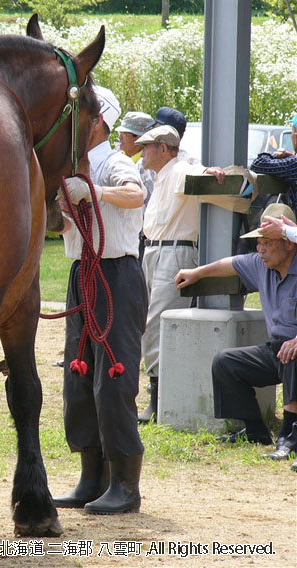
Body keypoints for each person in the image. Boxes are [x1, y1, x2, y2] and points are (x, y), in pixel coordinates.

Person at [53, 85, 148, 514]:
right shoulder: (74, 165)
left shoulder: (114, 163)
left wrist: (93, 192)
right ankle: (92, 478)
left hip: (115, 275)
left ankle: (126, 486)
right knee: (78, 380)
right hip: (83, 274)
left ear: (98, 122)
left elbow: (135, 195)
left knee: (113, 379)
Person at [174, 202, 297, 463]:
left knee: (291, 353)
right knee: (225, 362)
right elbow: (229, 264)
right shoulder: (261, 264)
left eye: (268, 241)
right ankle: (255, 430)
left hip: (294, 351)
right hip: (275, 350)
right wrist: (196, 272)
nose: (260, 249)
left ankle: (290, 435)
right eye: (258, 242)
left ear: (289, 243)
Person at [134, 125, 226, 422]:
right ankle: (157, 393)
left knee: (157, 322)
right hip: (155, 250)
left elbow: (197, 172)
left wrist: (210, 171)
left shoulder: (177, 170)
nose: (142, 150)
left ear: (163, 148)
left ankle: (158, 398)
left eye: (148, 146)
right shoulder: (163, 175)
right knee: (150, 321)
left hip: (172, 252)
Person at [116, 111, 155, 258]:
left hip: (142, 238)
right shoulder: (124, 160)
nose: (119, 138)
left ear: (137, 137)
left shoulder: (147, 168)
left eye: (124, 133)